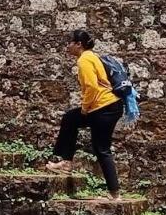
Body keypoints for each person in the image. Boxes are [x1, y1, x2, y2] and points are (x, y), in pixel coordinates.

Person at [45, 27, 123, 197]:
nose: (68, 46)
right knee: (71, 121)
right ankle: (65, 161)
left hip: (102, 107)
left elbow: (92, 87)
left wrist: (85, 108)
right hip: (109, 106)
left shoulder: (84, 60)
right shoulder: (92, 56)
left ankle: (114, 193)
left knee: (101, 148)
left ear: (78, 44)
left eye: (70, 43)